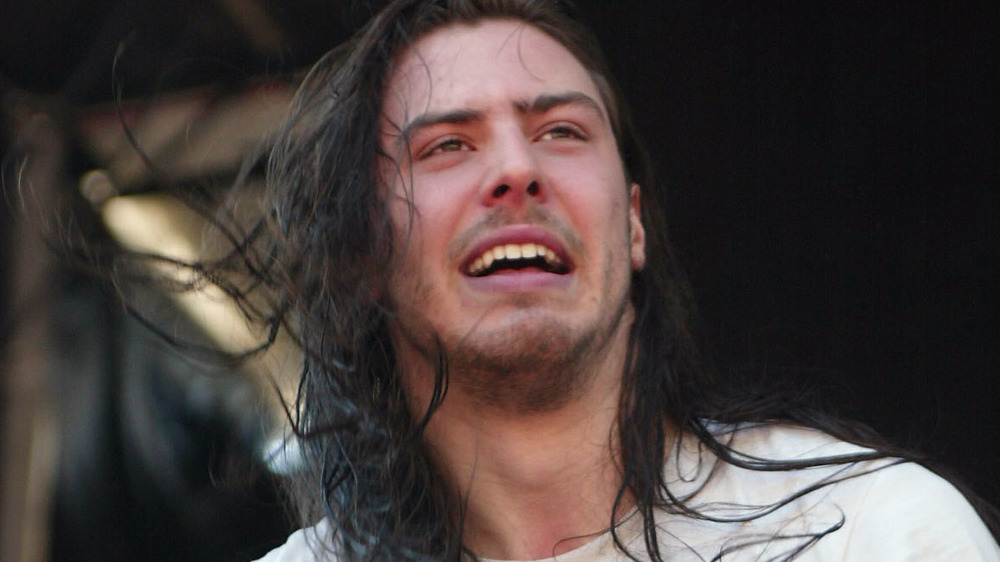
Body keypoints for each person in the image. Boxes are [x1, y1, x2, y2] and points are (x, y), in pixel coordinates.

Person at [247, 1, 1000, 560]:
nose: (517, 170)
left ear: (633, 223)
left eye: (562, 132)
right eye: (448, 145)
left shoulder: (871, 534)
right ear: (363, 256)